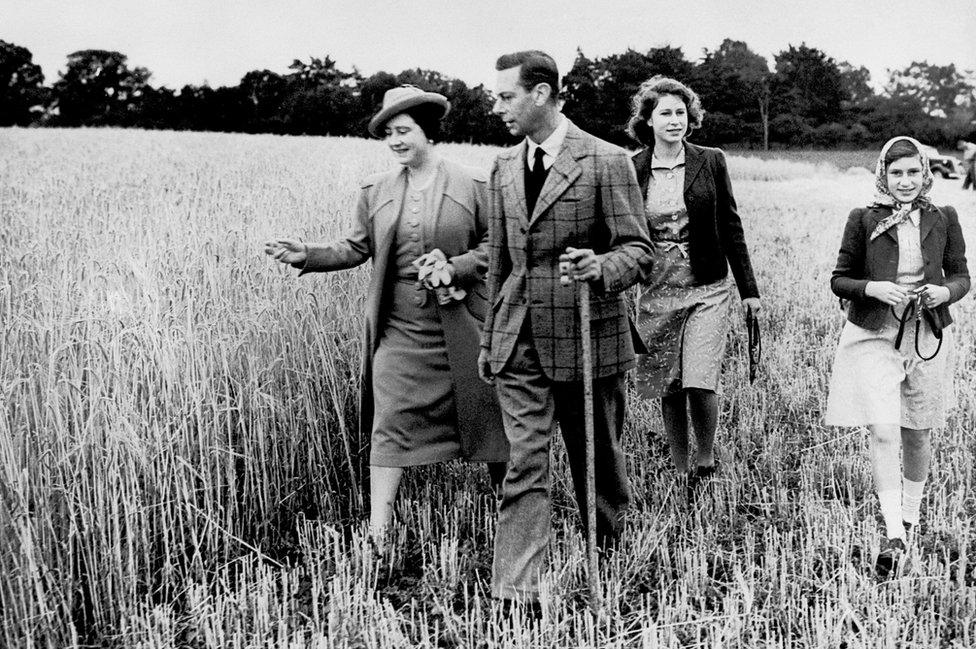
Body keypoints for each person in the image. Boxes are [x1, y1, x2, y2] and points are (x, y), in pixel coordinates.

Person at [265, 85, 508, 551]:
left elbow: (497, 247)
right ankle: (378, 532)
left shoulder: (475, 184)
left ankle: (510, 513)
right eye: (388, 133)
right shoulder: (375, 190)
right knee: (391, 418)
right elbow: (355, 248)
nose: (395, 140)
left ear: (428, 131)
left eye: (404, 130)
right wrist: (307, 254)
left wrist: (456, 266)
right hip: (399, 327)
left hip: (464, 321)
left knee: (489, 415)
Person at [479, 50, 654, 604]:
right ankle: (517, 591)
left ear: (540, 93)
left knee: (596, 457)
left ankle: (609, 551)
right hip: (518, 335)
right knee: (525, 461)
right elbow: (501, 263)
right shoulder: (503, 166)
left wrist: (601, 266)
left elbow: (639, 252)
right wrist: (490, 338)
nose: (497, 106)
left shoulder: (606, 161)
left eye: (505, 96)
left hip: (587, 334)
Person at [825, 136, 970, 576]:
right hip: (874, 334)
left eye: (912, 172)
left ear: (925, 173)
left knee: (917, 432)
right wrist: (872, 288)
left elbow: (962, 275)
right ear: (883, 176)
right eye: (896, 173)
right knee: (885, 431)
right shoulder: (863, 218)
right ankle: (894, 532)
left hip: (926, 335)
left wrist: (945, 292)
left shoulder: (944, 217)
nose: (905, 182)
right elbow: (840, 279)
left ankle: (911, 515)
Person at [626, 77, 760, 492]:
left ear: (691, 117)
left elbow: (731, 226)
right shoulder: (632, 168)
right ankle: (679, 463)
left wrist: (749, 291)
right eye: (665, 112)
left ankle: (706, 459)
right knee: (668, 381)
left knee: (699, 379)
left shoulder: (710, 160)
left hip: (708, 283)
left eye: (681, 112)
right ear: (647, 120)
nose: (674, 120)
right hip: (658, 286)